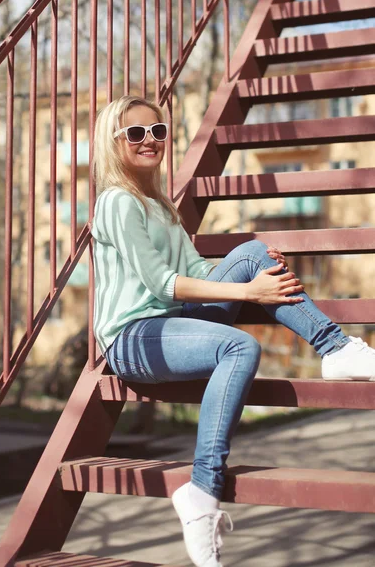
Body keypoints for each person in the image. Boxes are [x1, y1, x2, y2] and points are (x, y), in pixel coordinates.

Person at [91, 95, 375, 567]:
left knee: (252, 252)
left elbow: (196, 267)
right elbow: (162, 283)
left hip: (172, 322)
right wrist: (252, 295)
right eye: (136, 134)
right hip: (133, 337)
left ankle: (336, 347)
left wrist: (253, 273)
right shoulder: (117, 203)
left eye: (157, 132)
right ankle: (202, 492)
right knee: (240, 346)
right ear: (112, 143)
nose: (150, 141)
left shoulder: (159, 205)